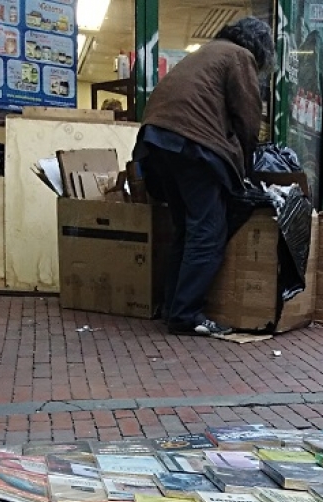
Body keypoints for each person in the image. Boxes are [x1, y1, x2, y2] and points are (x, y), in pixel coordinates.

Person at [132, 17, 273, 336]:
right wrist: (247, 168)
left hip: (158, 142)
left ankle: (174, 307)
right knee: (208, 231)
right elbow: (248, 119)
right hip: (192, 145)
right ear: (260, 48)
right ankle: (186, 314)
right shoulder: (240, 57)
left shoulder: (205, 53)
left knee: (187, 228)